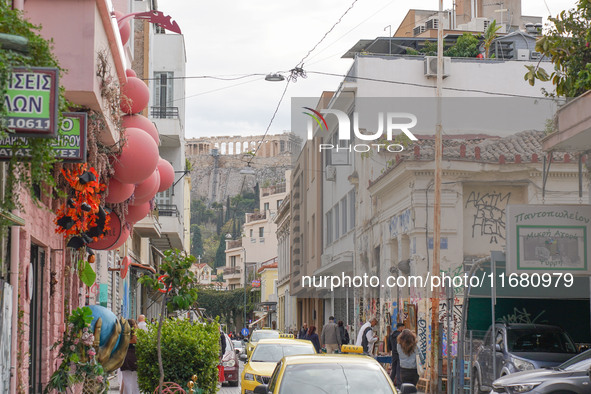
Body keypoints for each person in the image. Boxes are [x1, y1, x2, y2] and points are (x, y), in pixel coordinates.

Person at [120, 319, 139, 394]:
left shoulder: (123, 335)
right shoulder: (138, 335)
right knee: (136, 381)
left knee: (126, 380)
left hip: (125, 357)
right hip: (135, 357)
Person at [388, 323, 405, 388]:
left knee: (394, 368)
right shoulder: (400, 335)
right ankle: (399, 384)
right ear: (400, 327)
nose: (403, 329)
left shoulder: (391, 334)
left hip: (394, 353)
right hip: (399, 353)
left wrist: (391, 350)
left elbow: (389, 345)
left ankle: (390, 382)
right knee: (398, 369)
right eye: (403, 327)